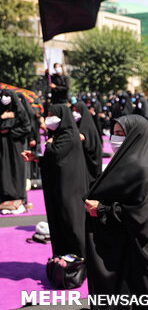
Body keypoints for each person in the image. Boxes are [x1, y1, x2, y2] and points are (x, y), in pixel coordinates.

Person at [83, 115, 148, 310]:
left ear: (135, 136)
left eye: (122, 134)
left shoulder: (140, 169)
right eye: (115, 133)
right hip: (122, 248)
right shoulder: (125, 162)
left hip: (136, 252)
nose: (116, 139)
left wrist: (103, 209)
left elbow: (142, 215)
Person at [22, 104, 88, 257]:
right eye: (48, 114)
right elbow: (53, 160)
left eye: (52, 115)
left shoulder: (69, 135)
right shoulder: (59, 135)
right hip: (60, 184)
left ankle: (79, 257)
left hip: (70, 188)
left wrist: (49, 145)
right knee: (60, 220)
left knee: (70, 219)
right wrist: (37, 158)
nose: (49, 118)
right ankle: (64, 256)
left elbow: (56, 155)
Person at [0, 89, 31, 207]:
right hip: (3, 146)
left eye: (7, 96)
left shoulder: (20, 111)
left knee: (17, 168)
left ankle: (19, 196)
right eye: (2, 96)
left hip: (16, 144)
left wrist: (9, 131)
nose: (4, 98)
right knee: (4, 169)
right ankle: (5, 195)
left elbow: (26, 128)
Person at [72, 101, 102, 185]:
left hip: (91, 160)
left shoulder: (86, 125)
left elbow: (85, 140)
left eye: (77, 111)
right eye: (73, 111)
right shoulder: (80, 124)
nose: (74, 113)